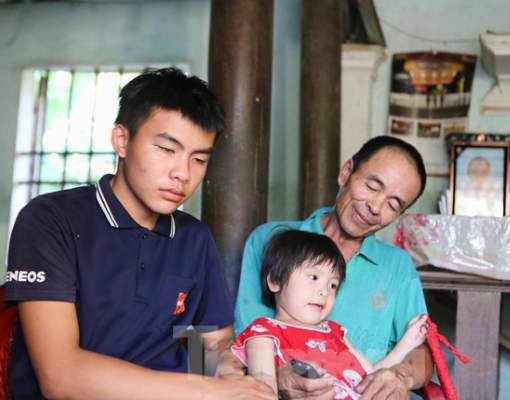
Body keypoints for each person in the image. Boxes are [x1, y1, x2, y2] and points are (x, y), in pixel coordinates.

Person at [2, 68, 275, 400]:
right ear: (122, 140)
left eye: (199, 159)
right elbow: (61, 376)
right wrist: (208, 392)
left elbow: (206, 344)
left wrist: (235, 379)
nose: (183, 173)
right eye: (166, 149)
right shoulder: (52, 220)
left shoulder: (194, 239)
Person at [234, 135, 434, 400]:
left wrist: (400, 376)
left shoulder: (398, 266)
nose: (375, 207)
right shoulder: (271, 240)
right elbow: (242, 343)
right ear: (346, 172)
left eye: (393, 204)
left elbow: (423, 352)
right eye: (372, 186)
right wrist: (277, 378)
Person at [231, 229, 429, 399]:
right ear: (275, 281)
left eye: (332, 285)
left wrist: (406, 344)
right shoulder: (264, 331)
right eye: (313, 277)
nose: (324, 291)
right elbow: (262, 391)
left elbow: (372, 378)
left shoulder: (335, 332)